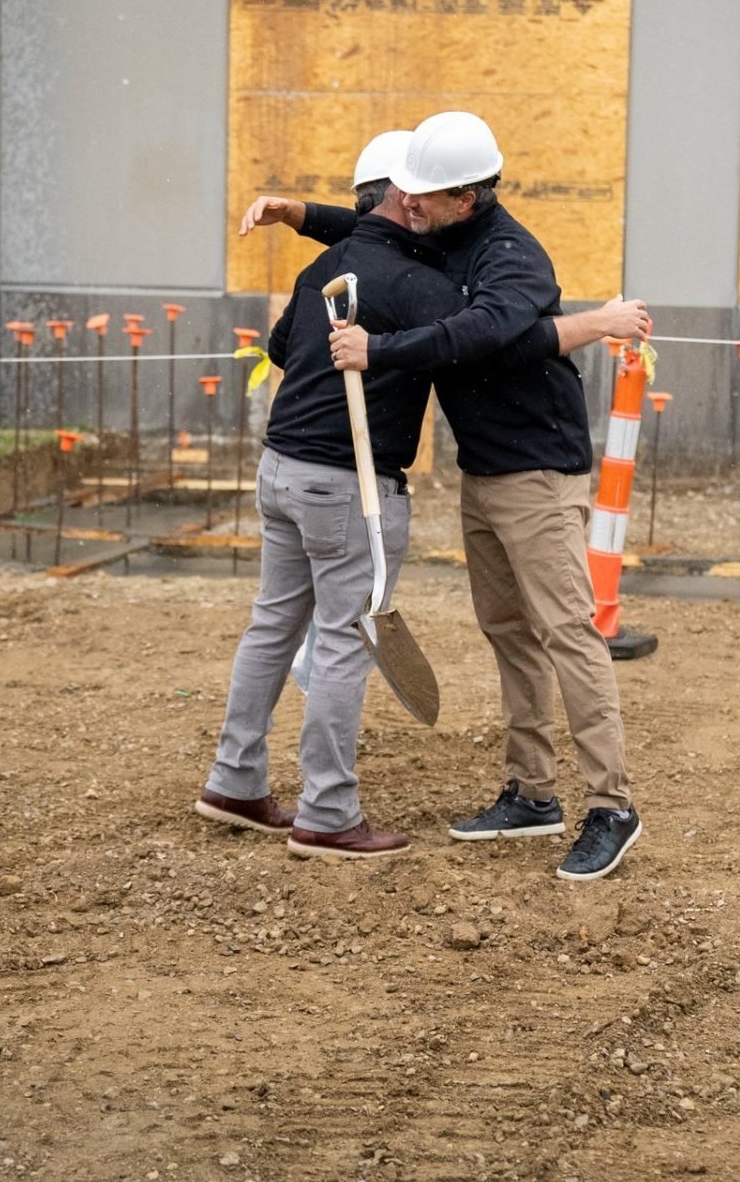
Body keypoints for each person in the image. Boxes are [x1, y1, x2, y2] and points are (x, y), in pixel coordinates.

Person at [199, 133, 642, 862]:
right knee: (509, 633)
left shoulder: (511, 255)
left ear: (461, 198)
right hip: (481, 473)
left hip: (539, 471)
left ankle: (611, 805)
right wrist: (302, 212)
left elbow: (494, 334)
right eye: (401, 193)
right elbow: (373, 230)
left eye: (421, 194)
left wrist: (593, 324)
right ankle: (532, 793)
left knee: (567, 631)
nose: (407, 203)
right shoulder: (432, 241)